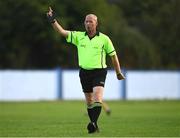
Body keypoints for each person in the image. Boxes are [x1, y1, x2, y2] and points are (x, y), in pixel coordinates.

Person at [47, 7, 125, 134]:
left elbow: (113, 56)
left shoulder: (104, 39)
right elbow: (62, 32)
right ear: (84, 23)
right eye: (86, 21)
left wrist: (118, 72)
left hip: (99, 72)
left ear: (96, 23)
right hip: (84, 73)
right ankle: (95, 125)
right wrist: (52, 20)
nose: (88, 23)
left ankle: (92, 123)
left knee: (97, 98)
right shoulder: (79, 36)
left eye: (91, 21)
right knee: (89, 102)